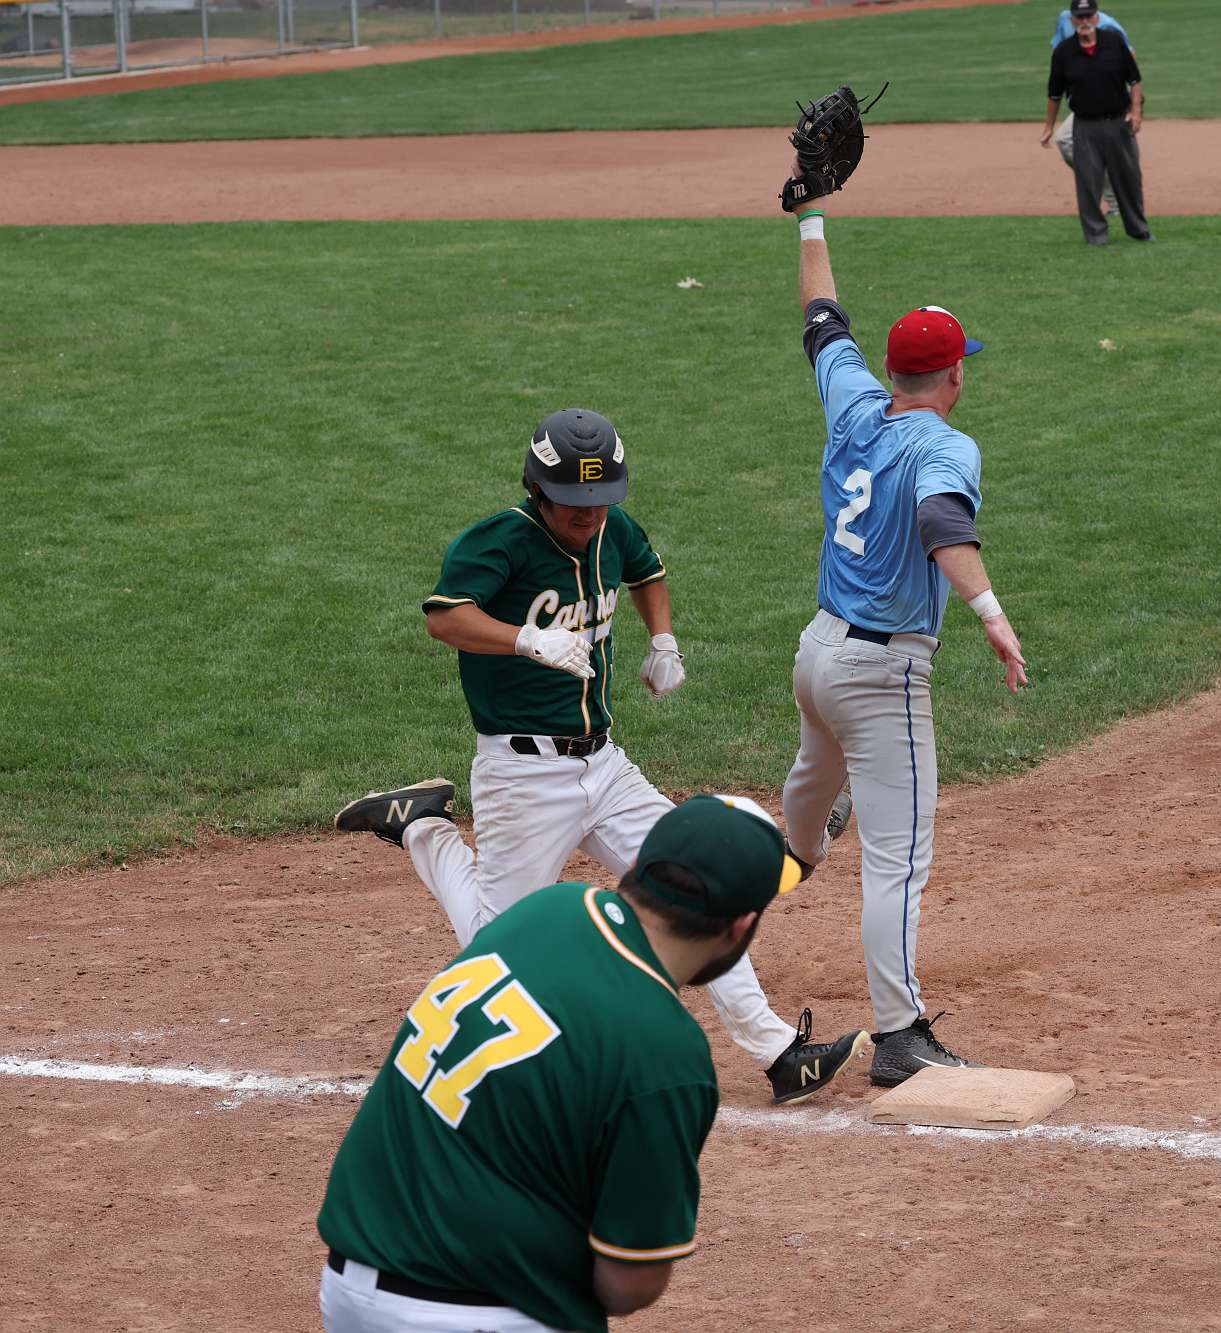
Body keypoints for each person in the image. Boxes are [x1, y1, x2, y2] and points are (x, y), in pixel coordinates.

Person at [332, 408, 868, 1106]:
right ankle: (422, 827)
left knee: (701, 888)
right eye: (571, 502)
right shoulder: (499, 541)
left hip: (606, 766)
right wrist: (525, 639)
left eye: (599, 500)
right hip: (522, 773)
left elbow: (648, 572)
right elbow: (444, 616)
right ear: (536, 489)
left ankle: (779, 1054)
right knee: (499, 942)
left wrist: (663, 639)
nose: (588, 515)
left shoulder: (614, 528)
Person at [317, 795, 812, 1333]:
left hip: (347, 1281)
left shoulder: (546, 909)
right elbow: (629, 1283)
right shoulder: (667, 1052)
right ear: (741, 926)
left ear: (638, 865)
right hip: (475, 1315)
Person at [778, 191, 1030, 1086]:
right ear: (955, 376)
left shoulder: (854, 401)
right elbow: (942, 525)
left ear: (890, 369)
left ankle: (784, 856)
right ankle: (899, 1034)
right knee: (898, 859)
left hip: (816, 656)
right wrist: (992, 615)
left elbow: (821, 314)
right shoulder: (946, 449)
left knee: (808, 805)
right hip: (881, 677)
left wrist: (810, 215)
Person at [1041, 0, 1150, 245]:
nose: (1084, 21)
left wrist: (1136, 111)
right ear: (1072, 19)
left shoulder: (1114, 39)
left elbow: (1135, 79)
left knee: (1130, 179)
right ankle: (1096, 236)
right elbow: (1054, 93)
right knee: (1088, 184)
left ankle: (1139, 230)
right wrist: (1049, 126)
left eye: (1089, 16)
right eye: (1079, 17)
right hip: (1085, 124)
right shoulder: (1063, 51)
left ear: (1096, 17)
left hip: (1118, 120)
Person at [1048, 2, 1131, 218]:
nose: (1083, 20)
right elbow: (1057, 54)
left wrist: (1134, 106)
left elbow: (1130, 62)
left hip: (1114, 102)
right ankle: (1113, 194)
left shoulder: (1110, 27)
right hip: (1085, 102)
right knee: (1066, 141)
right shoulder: (1065, 19)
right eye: (1079, 16)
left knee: (1117, 154)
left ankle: (1120, 199)